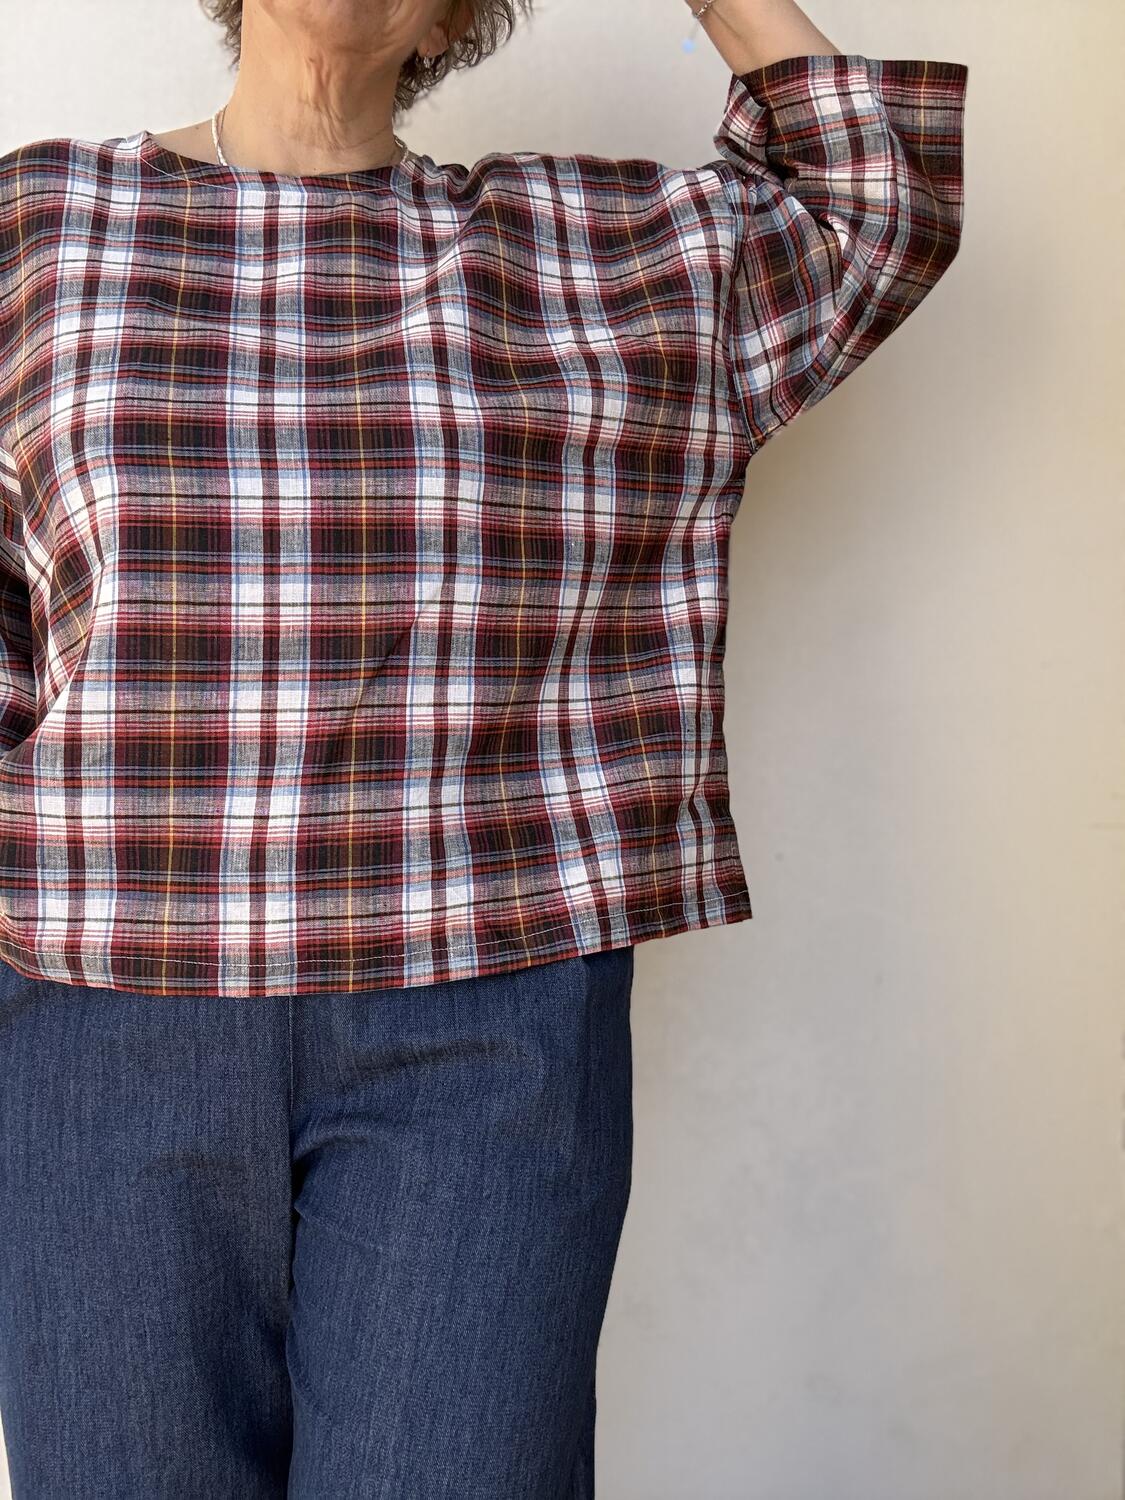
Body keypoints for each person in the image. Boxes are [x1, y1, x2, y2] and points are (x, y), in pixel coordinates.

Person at [0, 0, 967, 1492]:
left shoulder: (582, 255)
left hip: (482, 1024)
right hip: (100, 1012)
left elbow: (869, 203)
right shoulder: (36, 225)